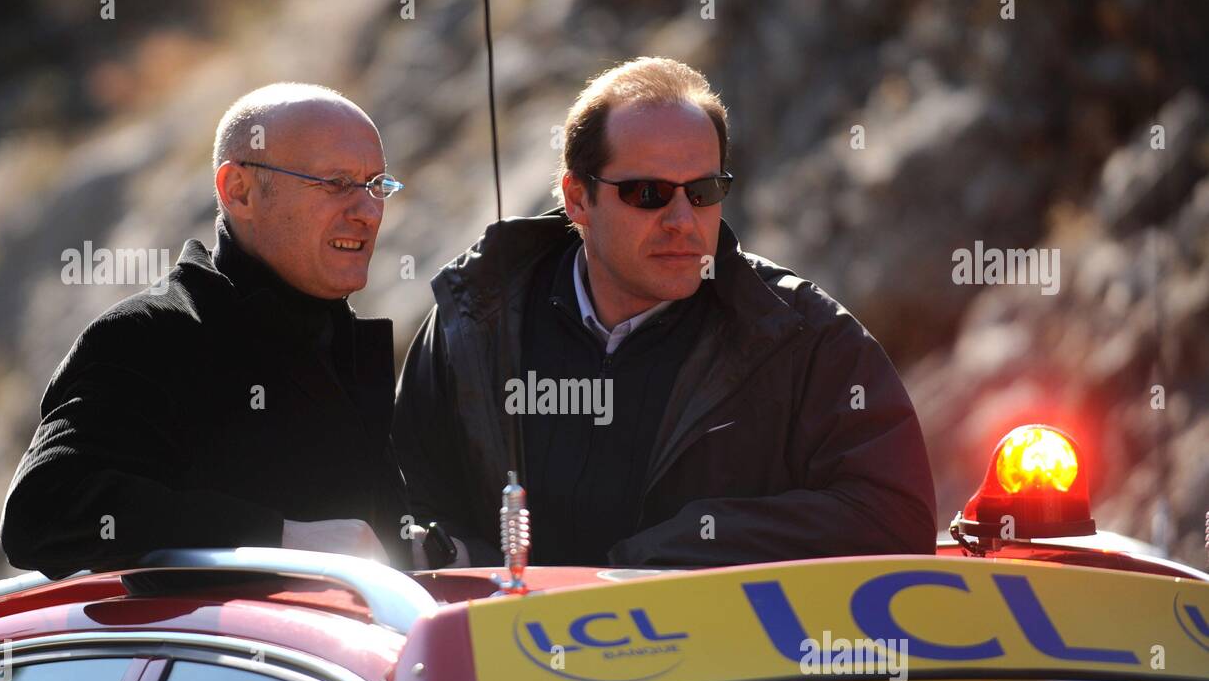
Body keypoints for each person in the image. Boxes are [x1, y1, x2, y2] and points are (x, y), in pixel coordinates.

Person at [394, 57, 937, 568]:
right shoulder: (472, 323)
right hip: (500, 658)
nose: (683, 220)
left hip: (717, 665)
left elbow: (896, 521)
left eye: (703, 191)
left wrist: (685, 548)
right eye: (648, 193)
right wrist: (464, 560)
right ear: (578, 199)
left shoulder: (801, 337)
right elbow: (404, 506)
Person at [1, 83, 410, 578]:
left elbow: (362, 546)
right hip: (210, 655)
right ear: (238, 191)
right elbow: (39, 512)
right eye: (337, 183)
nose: (367, 211)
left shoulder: (341, 345)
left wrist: (427, 550)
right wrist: (281, 537)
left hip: (356, 653)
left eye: (376, 186)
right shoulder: (151, 335)